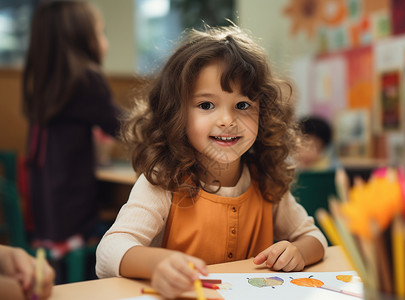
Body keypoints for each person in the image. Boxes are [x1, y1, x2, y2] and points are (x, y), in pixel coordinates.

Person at [96, 25, 327, 299]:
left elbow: (316, 238)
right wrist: (157, 264)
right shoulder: (162, 181)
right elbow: (108, 252)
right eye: (206, 105)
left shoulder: (265, 179)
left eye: (242, 105)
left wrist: (298, 251)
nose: (227, 120)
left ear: (262, 113)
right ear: (176, 114)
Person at [22, 1, 122, 252]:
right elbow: (122, 126)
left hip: (45, 212)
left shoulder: (46, 83)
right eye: (101, 32)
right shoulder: (85, 78)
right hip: (72, 218)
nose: (104, 41)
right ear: (82, 39)